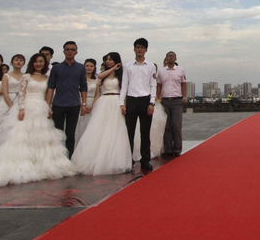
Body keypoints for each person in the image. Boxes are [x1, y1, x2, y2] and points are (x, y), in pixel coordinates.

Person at [0, 53, 76, 187]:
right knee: (23, 138)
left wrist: (48, 107)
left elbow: (49, 94)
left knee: (42, 138)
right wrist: (21, 108)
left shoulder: (47, 78)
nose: (38, 64)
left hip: (41, 108)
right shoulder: (26, 77)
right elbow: (21, 94)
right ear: (32, 63)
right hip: (27, 107)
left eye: (41, 61)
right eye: (36, 62)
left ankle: (42, 165)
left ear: (44, 64)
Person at [72, 52, 135, 175]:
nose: (108, 61)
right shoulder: (103, 75)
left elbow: (124, 91)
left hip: (116, 101)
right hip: (104, 101)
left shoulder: (121, 75)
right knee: (98, 129)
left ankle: (115, 160)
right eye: (106, 60)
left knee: (115, 130)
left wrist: (124, 105)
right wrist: (111, 68)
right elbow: (99, 77)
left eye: (110, 59)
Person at [45, 41, 89, 157]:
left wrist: (83, 104)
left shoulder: (80, 68)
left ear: (76, 52)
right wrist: (47, 105)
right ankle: (57, 156)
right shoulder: (56, 68)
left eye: (72, 49)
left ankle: (69, 157)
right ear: (64, 51)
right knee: (57, 133)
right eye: (67, 49)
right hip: (58, 104)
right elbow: (51, 87)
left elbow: (83, 86)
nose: (70, 52)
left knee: (70, 133)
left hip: (74, 105)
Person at [121, 38, 157, 172]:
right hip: (131, 99)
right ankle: (128, 160)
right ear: (134, 49)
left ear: (146, 50)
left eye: (142, 47)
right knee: (129, 132)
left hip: (145, 100)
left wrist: (152, 102)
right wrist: (122, 103)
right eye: (137, 47)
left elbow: (153, 85)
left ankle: (145, 160)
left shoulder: (151, 66)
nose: (140, 49)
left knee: (145, 132)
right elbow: (124, 85)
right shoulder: (128, 65)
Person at [157, 51, 187, 157]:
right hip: (165, 100)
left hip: (177, 100)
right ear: (166, 58)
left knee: (176, 125)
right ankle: (168, 148)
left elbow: (183, 84)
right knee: (166, 125)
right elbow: (159, 85)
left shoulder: (180, 70)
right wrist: (157, 97)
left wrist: (184, 96)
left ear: (175, 58)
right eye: (169, 56)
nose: (170, 58)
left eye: (172, 56)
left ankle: (177, 148)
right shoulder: (161, 71)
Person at [74, 59, 99, 144]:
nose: (89, 68)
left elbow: (97, 94)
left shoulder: (97, 79)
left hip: (92, 103)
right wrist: (81, 104)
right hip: (79, 102)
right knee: (79, 126)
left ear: (94, 67)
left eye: (91, 66)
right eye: (87, 66)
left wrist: (92, 105)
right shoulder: (78, 78)